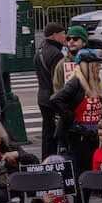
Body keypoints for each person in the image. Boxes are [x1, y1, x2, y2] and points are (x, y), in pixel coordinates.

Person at [35, 21, 69, 155]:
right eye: (63, 34)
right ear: (55, 35)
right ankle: (54, 159)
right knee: (55, 132)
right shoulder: (56, 54)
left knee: (47, 132)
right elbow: (58, 81)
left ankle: (46, 159)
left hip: (42, 96)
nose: (65, 37)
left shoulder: (41, 49)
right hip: (52, 97)